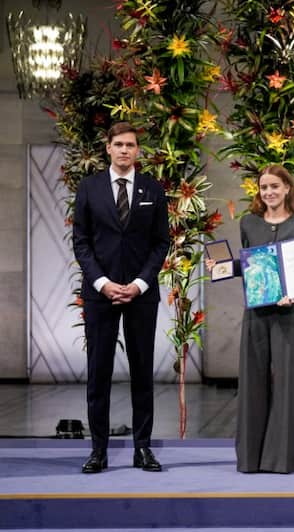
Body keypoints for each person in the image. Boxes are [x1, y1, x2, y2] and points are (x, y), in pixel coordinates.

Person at [72, 121, 170, 473]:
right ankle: (98, 450)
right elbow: (81, 242)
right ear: (108, 148)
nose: (125, 150)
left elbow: (162, 242)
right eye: (119, 144)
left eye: (131, 145)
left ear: (138, 151)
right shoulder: (89, 188)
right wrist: (102, 283)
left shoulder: (153, 189)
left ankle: (142, 449)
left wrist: (140, 284)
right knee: (99, 373)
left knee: (143, 373)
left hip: (141, 296)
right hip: (100, 295)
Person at [206, 164, 294, 473]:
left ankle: (281, 459)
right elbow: (249, 263)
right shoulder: (249, 223)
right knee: (252, 381)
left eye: (274, 187)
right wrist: (222, 266)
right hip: (256, 312)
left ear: (287, 188)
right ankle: (251, 459)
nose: (269, 192)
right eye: (264, 187)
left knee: (288, 384)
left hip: (287, 313)